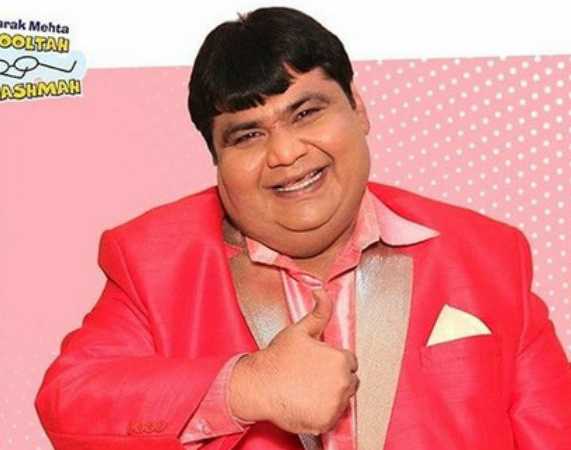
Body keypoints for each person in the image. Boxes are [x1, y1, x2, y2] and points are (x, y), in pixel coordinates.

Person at [35, 7, 571, 450]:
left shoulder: (489, 253)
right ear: (216, 160)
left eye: (306, 112)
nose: (286, 153)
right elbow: (69, 402)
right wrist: (249, 387)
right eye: (247, 135)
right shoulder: (149, 260)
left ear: (358, 108)